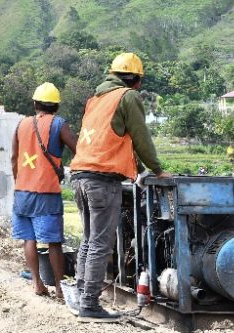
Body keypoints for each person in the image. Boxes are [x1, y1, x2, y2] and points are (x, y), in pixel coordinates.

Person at [69, 53, 171, 322]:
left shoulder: (95, 99)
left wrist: (139, 170)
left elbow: (115, 140)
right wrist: (157, 170)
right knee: (101, 243)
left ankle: (81, 296)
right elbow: (140, 137)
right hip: (102, 179)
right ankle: (89, 305)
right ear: (136, 80)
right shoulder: (128, 96)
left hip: (80, 175)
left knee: (89, 239)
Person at [10, 83, 78, 299]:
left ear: (35, 103)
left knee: (29, 239)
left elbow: (13, 158)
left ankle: (37, 284)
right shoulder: (58, 124)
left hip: (22, 192)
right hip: (46, 193)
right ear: (56, 106)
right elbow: (78, 148)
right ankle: (59, 287)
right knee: (53, 242)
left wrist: (20, 181)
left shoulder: (21, 124)